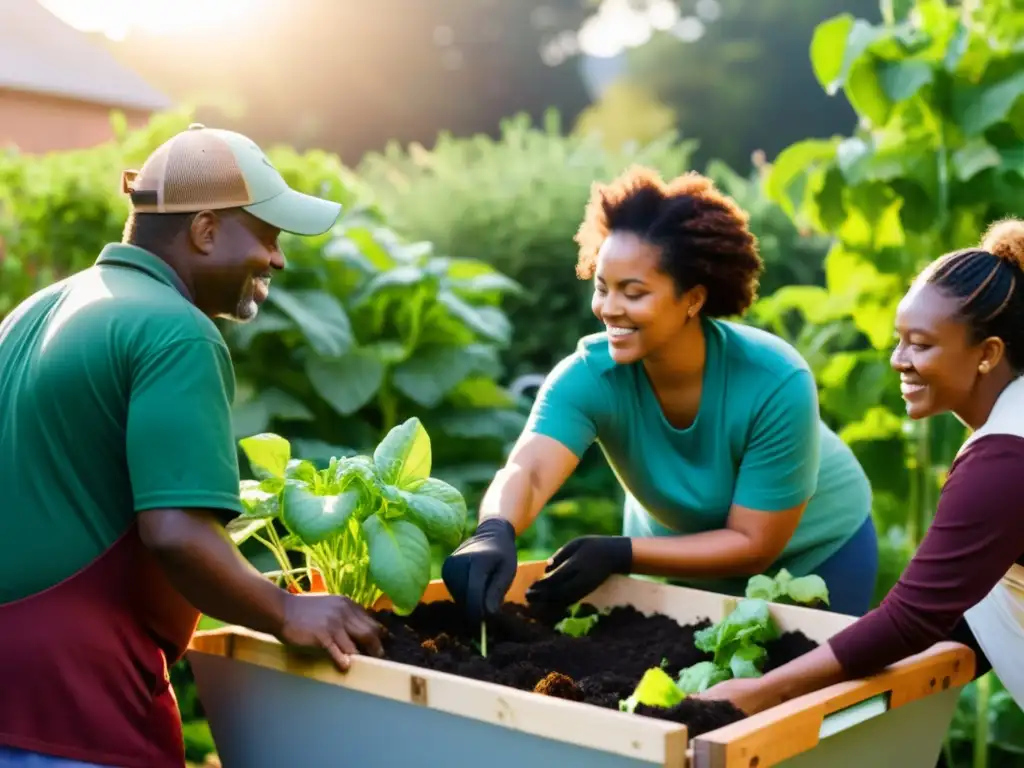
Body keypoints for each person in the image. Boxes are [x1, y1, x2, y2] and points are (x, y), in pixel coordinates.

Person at [0, 124, 384, 768]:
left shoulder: (34, 312)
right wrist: (286, 610)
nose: (278, 259)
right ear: (205, 230)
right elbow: (175, 532)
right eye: (267, 235)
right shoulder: (176, 332)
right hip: (75, 704)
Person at [441, 166, 878, 625]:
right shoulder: (591, 377)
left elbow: (753, 543)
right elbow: (527, 472)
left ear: (692, 299)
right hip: (672, 561)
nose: (610, 309)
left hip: (814, 557)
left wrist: (620, 554)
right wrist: (495, 528)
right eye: (602, 288)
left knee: (796, 689)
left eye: (634, 293)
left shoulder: (774, 380)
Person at [695, 219, 1024, 714]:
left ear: (987, 354)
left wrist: (763, 692)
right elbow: (963, 607)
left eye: (922, 343)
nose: (899, 360)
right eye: (900, 339)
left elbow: (915, 618)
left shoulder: (1003, 461)